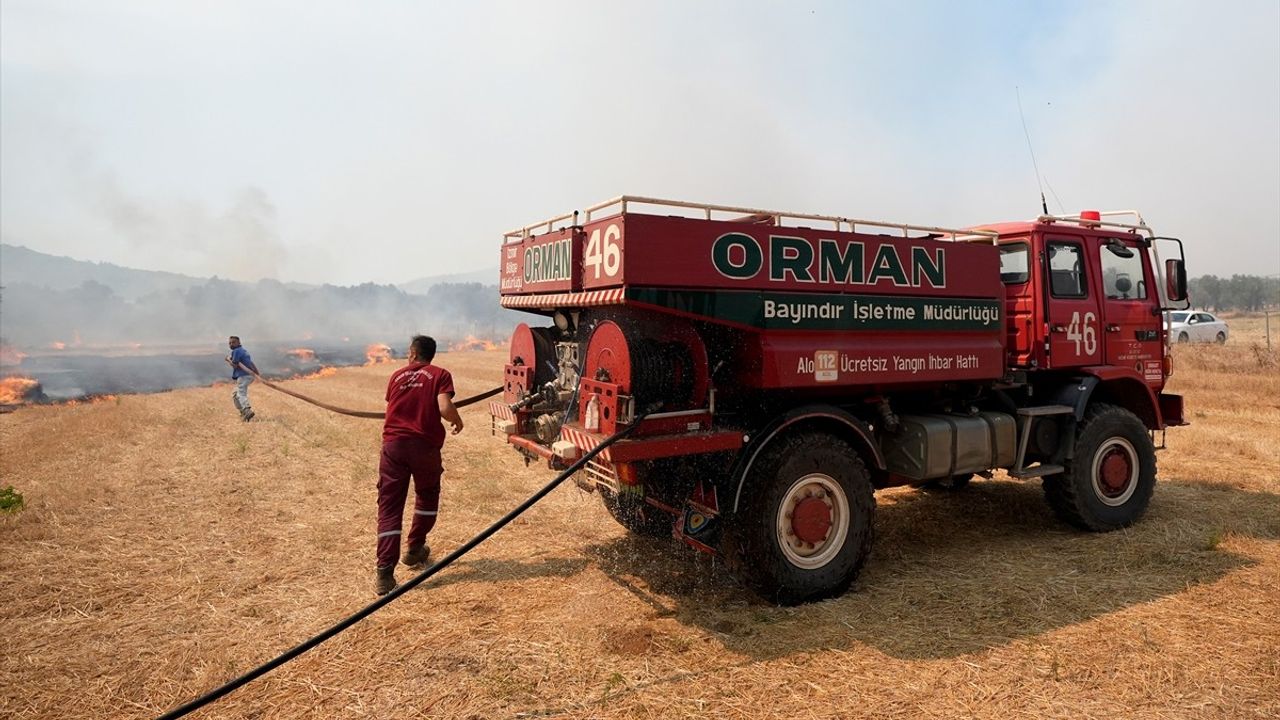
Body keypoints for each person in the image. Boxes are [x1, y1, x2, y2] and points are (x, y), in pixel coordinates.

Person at [375, 334, 464, 595]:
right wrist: (457, 421)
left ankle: (384, 574)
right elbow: (445, 407)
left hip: (393, 447)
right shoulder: (440, 374)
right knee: (426, 496)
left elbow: (396, 405)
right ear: (430, 355)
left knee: (390, 507)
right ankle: (414, 548)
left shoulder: (396, 376)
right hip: (424, 447)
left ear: (413, 353)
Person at [225, 336, 259, 422]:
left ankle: (247, 409)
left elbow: (235, 365)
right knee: (235, 395)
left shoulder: (236, 351)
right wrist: (257, 373)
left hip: (244, 375)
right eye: (230, 343)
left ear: (239, 343)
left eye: (233, 342)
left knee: (241, 393)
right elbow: (251, 363)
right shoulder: (244, 351)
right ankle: (243, 412)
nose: (231, 344)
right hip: (248, 375)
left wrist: (228, 360)